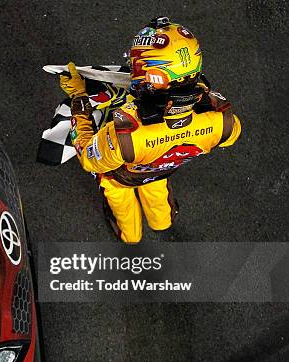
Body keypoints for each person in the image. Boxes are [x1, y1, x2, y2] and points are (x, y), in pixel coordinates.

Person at [60, 16, 241, 243]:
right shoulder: (222, 119)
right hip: (162, 171)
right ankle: (162, 223)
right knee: (157, 194)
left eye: (137, 66)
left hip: (121, 178)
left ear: (155, 76)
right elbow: (231, 136)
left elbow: (88, 158)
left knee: (121, 202)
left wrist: (78, 99)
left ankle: (130, 237)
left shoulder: (127, 132)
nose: (133, 70)